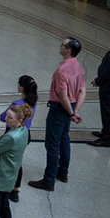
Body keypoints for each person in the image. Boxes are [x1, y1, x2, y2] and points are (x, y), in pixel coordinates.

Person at [28, 38, 86, 192]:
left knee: (52, 144)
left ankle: (48, 180)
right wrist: (76, 111)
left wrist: (71, 113)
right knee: (64, 139)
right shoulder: (78, 67)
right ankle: (63, 173)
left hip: (60, 109)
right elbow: (82, 91)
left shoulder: (61, 71)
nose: (60, 46)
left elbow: (63, 97)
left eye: (62, 44)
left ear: (68, 50)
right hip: (70, 108)